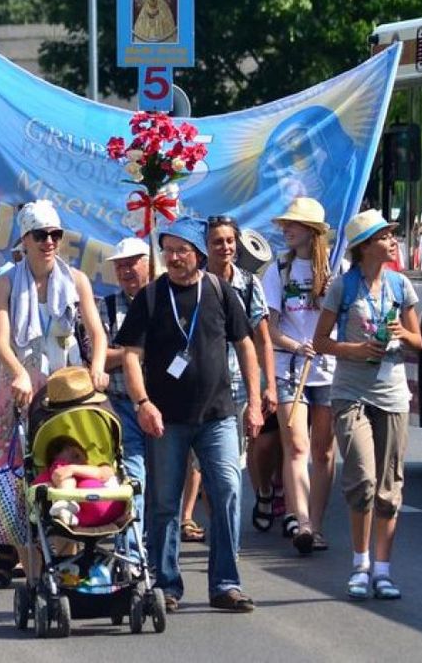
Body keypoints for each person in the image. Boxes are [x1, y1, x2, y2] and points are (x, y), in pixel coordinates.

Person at [117, 216, 262, 613]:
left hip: (218, 416)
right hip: (167, 419)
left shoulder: (218, 290)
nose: (174, 258)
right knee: (164, 502)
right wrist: (143, 403)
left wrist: (255, 400)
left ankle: (226, 585)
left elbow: (245, 344)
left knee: (228, 492)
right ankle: (166, 585)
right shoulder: (150, 296)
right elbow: (130, 353)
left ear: (198, 254)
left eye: (182, 251)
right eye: (168, 251)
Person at [0, 200, 109, 587]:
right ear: (25, 239)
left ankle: (66, 566)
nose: (49, 242)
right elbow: (0, 341)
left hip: (64, 390)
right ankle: (35, 573)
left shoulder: (75, 280)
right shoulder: (6, 282)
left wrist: (98, 366)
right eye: (41, 236)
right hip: (19, 390)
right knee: (15, 483)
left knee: (65, 473)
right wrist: (19, 372)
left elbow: (96, 332)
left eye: (55, 235)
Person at [313, 210, 422, 600]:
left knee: (390, 488)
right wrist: (356, 350)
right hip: (350, 392)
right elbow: (321, 341)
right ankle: (359, 565)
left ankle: (383, 570)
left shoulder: (400, 285)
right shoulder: (343, 287)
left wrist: (402, 333)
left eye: (393, 235)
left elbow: (420, 343)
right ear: (365, 246)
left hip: (392, 394)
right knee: (362, 480)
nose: (393, 241)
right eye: (385, 236)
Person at [262, 197, 337, 553]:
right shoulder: (276, 269)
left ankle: (317, 525)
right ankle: (302, 523)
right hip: (290, 367)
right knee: (297, 446)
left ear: (312, 231)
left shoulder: (336, 270)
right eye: (285, 224)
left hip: (329, 370)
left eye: (293, 224)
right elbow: (270, 328)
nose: (286, 230)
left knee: (322, 452)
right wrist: (296, 345)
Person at [205, 216, 279, 531]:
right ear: (206, 246)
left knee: (231, 464)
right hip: (204, 387)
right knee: (209, 466)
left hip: (238, 385)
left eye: (229, 241)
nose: (225, 247)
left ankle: (251, 504)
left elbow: (262, 340)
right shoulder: (196, 282)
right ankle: (220, 529)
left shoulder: (249, 284)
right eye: (217, 242)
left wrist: (269, 387)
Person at [99, 237, 151, 540]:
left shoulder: (164, 301)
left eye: (132, 263)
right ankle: (133, 551)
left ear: (148, 263)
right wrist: (137, 353)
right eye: (120, 265)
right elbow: (100, 359)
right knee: (132, 476)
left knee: (163, 483)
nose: (125, 270)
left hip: (162, 405)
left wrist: (124, 353)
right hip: (121, 405)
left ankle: (153, 548)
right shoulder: (106, 307)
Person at [37, 436, 121, 528]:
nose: (75, 462)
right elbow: (39, 486)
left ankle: (66, 503)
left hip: (112, 508)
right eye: (66, 463)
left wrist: (72, 469)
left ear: (84, 453)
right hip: (78, 518)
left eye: (76, 456)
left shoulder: (98, 468)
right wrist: (56, 477)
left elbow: (103, 474)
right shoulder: (63, 477)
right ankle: (66, 506)